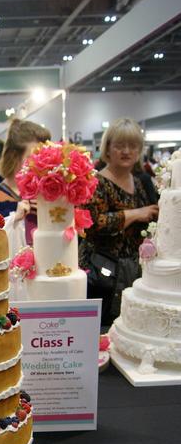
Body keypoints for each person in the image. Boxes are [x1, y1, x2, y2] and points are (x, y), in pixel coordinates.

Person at [79, 117, 159, 325]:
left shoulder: (141, 182)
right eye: (119, 145)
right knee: (101, 328)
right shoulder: (96, 181)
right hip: (101, 274)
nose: (126, 151)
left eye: (132, 146)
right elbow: (93, 224)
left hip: (132, 272)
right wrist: (135, 214)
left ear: (139, 150)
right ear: (107, 148)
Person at [0, 119, 51, 249]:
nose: (40, 163)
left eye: (44, 157)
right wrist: (14, 220)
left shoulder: (46, 195)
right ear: (14, 156)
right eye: (33, 157)